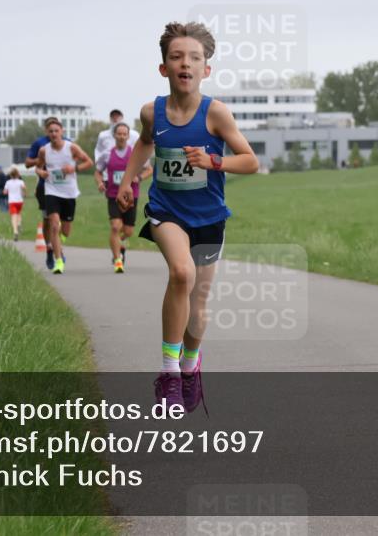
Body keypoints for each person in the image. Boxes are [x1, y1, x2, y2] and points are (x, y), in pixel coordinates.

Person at [116, 21, 259, 411]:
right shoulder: (152, 112)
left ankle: (191, 364)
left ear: (206, 70)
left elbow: (250, 161)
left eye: (195, 58)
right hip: (167, 212)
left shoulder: (217, 114)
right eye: (177, 56)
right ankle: (170, 373)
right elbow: (145, 144)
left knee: (198, 306)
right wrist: (128, 182)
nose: (186, 63)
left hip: (209, 218)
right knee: (181, 273)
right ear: (163, 68)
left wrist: (214, 160)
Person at [34, 118, 93, 274]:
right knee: (54, 224)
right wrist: (42, 173)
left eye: (56, 131)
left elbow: (89, 162)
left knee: (65, 230)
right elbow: (37, 168)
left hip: (69, 192)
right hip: (51, 190)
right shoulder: (44, 150)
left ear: (62, 132)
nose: (53, 133)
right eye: (51, 131)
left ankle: (59, 242)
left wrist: (74, 168)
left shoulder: (72, 148)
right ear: (47, 133)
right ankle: (58, 261)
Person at [95, 122, 152, 272]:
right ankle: (117, 260)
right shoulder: (107, 154)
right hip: (113, 195)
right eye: (118, 134)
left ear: (128, 136)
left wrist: (138, 178)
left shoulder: (135, 153)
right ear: (114, 135)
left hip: (131, 196)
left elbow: (149, 169)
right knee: (115, 227)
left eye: (124, 134)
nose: (121, 136)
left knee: (128, 231)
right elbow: (98, 171)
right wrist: (100, 183)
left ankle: (118, 244)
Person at [2, 167, 26, 241]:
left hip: (12, 201)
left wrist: (6, 192)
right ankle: (19, 224)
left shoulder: (8, 182)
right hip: (20, 201)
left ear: (10, 175)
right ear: (18, 174)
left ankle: (15, 231)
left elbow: (5, 192)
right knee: (19, 214)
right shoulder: (21, 182)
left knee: (13, 216)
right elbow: (24, 188)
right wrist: (23, 193)